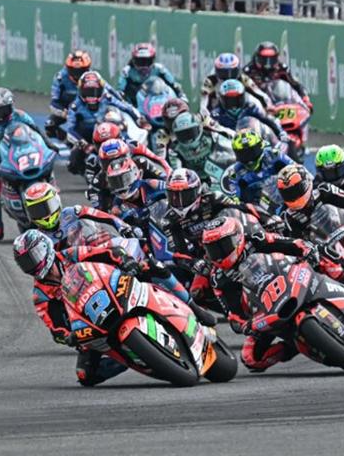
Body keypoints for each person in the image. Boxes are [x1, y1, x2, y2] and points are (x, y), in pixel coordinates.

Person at [13, 231, 212, 386]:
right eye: (26, 262)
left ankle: (193, 307)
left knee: (153, 266)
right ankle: (142, 358)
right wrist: (68, 336)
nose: (32, 264)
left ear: (46, 248)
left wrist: (125, 261)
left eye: (34, 256)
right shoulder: (40, 295)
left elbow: (106, 253)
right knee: (86, 376)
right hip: (93, 323)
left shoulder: (72, 254)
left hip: (115, 291)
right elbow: (55, 326)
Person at [201, 215, 319, 371]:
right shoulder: (218, 278)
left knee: (325, 262)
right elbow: (232, 313)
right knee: (250, 358)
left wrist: (305, 249)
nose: (219, 253)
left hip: (291, 280)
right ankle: (294, 346)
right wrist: (244, 325)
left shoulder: (256, 239)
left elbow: (289, 244)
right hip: (267, 309)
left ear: (237, 238)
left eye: (223, 245)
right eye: (213, 249)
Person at [0, 88, 58, 241]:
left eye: (2, 110)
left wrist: (49, 145)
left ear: (10, 106)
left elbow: (37, 132)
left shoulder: (20, 115)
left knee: (45, 168)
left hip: (21, 154)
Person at [63, 70, 141, 175]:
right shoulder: (75, 106)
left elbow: (126, 107)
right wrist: (84, 144)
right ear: (81, 91)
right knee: (72, 164)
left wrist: (139, 119)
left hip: (107, 131)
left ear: (101, 90)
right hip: (87, 137)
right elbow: (70, 130)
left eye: (94, 91)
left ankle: (135, 160)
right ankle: (89, 173)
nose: (92, 96)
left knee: (132, 144)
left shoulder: (107, 97)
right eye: (88, 92)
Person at [22, 181, 136, 247]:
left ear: (56, 201)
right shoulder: (38, 239)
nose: (45, 216)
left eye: (47, 206)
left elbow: (101, 215)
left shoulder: (72, 212)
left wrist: (122, 226)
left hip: (96, 253)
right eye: (37, 211)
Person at [85, 137, 171, 211]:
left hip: (151, 199)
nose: (115, 166)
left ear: (127, 155)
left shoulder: (141, 162)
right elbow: (97, 208)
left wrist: (168, 180)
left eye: (119, 159)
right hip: (124, 208)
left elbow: (163, 176)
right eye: (108, 162)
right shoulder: (98, 180)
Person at [223, 128, 294, 205]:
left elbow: (297, 169)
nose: (249, 159)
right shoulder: (235, 174)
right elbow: (234, 200)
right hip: (259, 210)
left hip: (287, 198)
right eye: (243, 154)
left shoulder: (274, 155)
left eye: (252, 152)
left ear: (261, 146)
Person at [208, 79, 287, 144]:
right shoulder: (216, 113)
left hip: (253, 142)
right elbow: (212, 132)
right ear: (222, 100)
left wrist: (280, 132)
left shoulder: (251, 105)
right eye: (230, 101)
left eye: (236, 100)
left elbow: (267, 119)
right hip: (229, 147)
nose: (233, 105)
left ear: (243, 97)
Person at [242, 42, 312, 110]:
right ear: (257, 58)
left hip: (279, 105)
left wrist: (305, 99)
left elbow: (296, 85)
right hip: (256, 107)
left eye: (271, 60)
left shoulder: (282, 69)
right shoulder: (249, 71)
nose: (268, 64)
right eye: (264, 60)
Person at [167, 112, 233, 181]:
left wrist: (216, 128)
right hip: (194, 180)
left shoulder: (211, 135)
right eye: (183, 134)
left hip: (219, 174)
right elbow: (177, 172)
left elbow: (231, 142)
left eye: (190, 132)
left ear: (199, 128)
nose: (188, 138)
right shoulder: (175, 149)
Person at [115, 43, 184, 107]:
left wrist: (182, 98)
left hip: (158, 105)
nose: (144, 67)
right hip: (134, 106)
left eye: (147, 62)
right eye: (140, 62)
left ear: (153, 61)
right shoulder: (127, 72)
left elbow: (174, 85)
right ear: (133, 61)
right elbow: (120, 91)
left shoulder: (160, 70)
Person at [200, 52, 272, 114]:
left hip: (240, 111)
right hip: (218, 113)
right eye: (223, 73)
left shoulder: (243, 78)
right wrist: (206, 113)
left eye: (232, 72)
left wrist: (268, 106)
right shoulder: (210, 81)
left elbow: (259, 93)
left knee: (253, 101)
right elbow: (204, 101)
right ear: (217, 71)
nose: (228, 77)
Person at [46, 50, 92, 139]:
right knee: (49, 125)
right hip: (66, 110)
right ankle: (68, 143)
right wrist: (63, 112)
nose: (77, 75)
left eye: (81, 71)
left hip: (86, 112)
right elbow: (54, 102)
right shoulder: (60, 78)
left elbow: (105, 92)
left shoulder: (93, 78)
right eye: (74, 70)